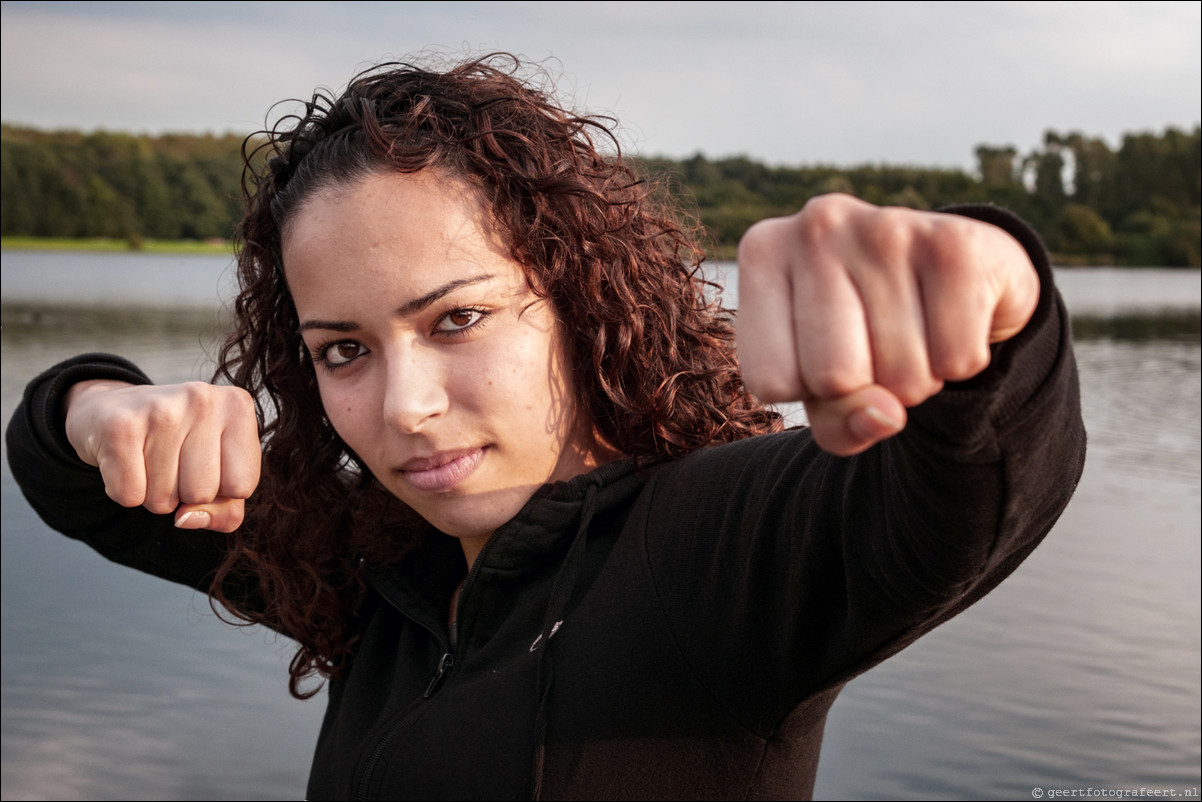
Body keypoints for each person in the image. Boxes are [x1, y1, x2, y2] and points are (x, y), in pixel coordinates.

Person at [6, 53, 1085, 800]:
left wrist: (983, 286)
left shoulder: (707, 553)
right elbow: (64, 476)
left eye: (457, 319)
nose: (404, 407)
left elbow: (971, 494)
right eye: (344, 349)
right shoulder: (370, 563)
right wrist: (103, 406)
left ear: (578, 303)